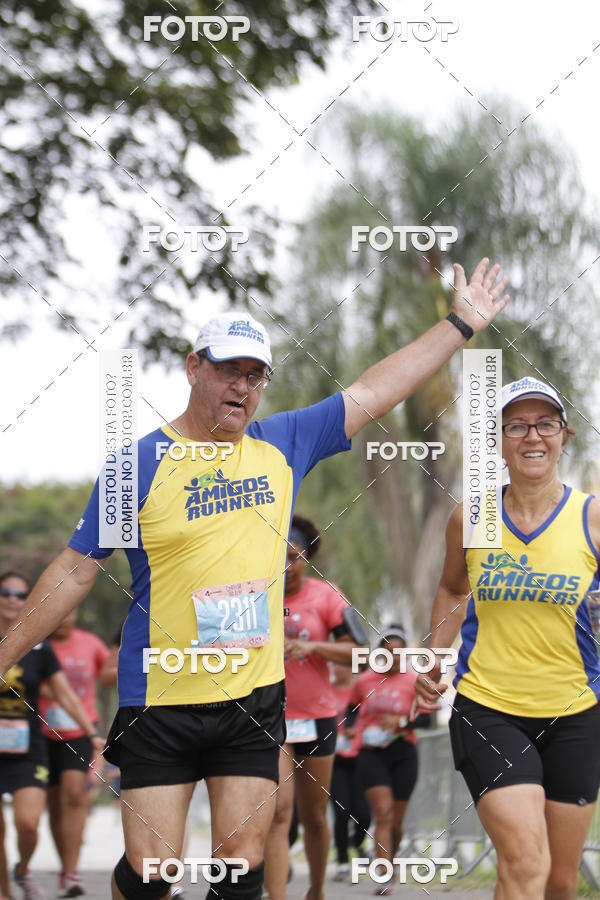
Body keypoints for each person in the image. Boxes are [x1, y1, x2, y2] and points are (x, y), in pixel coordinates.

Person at [0, 259, 509, 900]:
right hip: (160, 693)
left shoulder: (283, 444)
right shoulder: (139, 463)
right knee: (153, 872)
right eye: (228, 370)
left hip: (252, 698)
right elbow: (74, 571)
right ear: (194, 368)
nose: (243, 386)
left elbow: (376, 392)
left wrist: (459, 323)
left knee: (241, 861)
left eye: (256, 375)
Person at [413, 377, 600, 900]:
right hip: (488, 708)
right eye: (516, 425)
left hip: (577, 713)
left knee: (560, 882)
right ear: (498, 439)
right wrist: (432, 663)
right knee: (526, 862)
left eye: (545, 424)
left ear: (565, 435)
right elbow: (453, 589)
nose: (532, 436)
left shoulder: (592, 518)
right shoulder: (471, 518)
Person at [263, 515, 366, 900]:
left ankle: (317, 891)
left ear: (307, 558)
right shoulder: (255, 595)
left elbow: (358, 651)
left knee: (315, 818)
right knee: (277, 814)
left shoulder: (327, 596)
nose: (286, 566)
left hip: (318, 717)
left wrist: (312, 647)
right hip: (270, 717)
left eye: (294, 557)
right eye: (279, 557)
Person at [0, 573, 104, 900]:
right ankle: (4, 893)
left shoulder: (39, 645)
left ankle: (23, 866)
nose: (13, 599)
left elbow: (66, 694)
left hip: (28, 748)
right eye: (6, 593)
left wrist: (93, 733)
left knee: (28, 823)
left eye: (21, 595)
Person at [348, 626, 425, 895]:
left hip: (403, 753)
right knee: (383, 813)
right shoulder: (365, 680)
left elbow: (427, 718)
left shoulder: (415, 681)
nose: (393, 658)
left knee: (395, 822)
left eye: (399, 653)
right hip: (371, 752)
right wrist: (349, 725)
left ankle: (389, 859)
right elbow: (350, 706)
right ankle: (384, 875)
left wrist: (402, 721)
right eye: (388, 653)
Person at [38, 610, 109, 897]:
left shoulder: (90, 643)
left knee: (74, 795)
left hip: (80, 730)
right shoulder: (39, 645)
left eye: (69, 613)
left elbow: (108, 674)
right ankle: (65, 866)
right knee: (54, 804)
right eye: (59, 613)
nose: (63, 619)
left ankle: (72, 870)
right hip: (42, 732)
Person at [329, 661, 371, 882]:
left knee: (363, 813)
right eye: (337, 665)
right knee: (341, 812)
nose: (340, 668)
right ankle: (343, 860)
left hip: (360, 756)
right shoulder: (326, 690)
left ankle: (358, 842)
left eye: (344, 664)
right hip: (334, 759)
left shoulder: (361, 688)